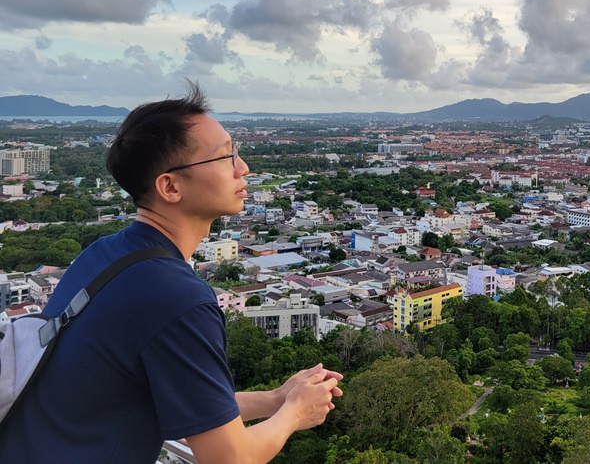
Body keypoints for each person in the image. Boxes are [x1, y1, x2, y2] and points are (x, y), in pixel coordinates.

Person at [0, 83, 342, 463]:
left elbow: (170, 400)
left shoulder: (103, 254)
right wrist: (294, 414)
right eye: (226, 156)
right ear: (170, 186)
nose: (242, 167)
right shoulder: (176, 298)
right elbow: (230, 457)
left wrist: (276, 398)